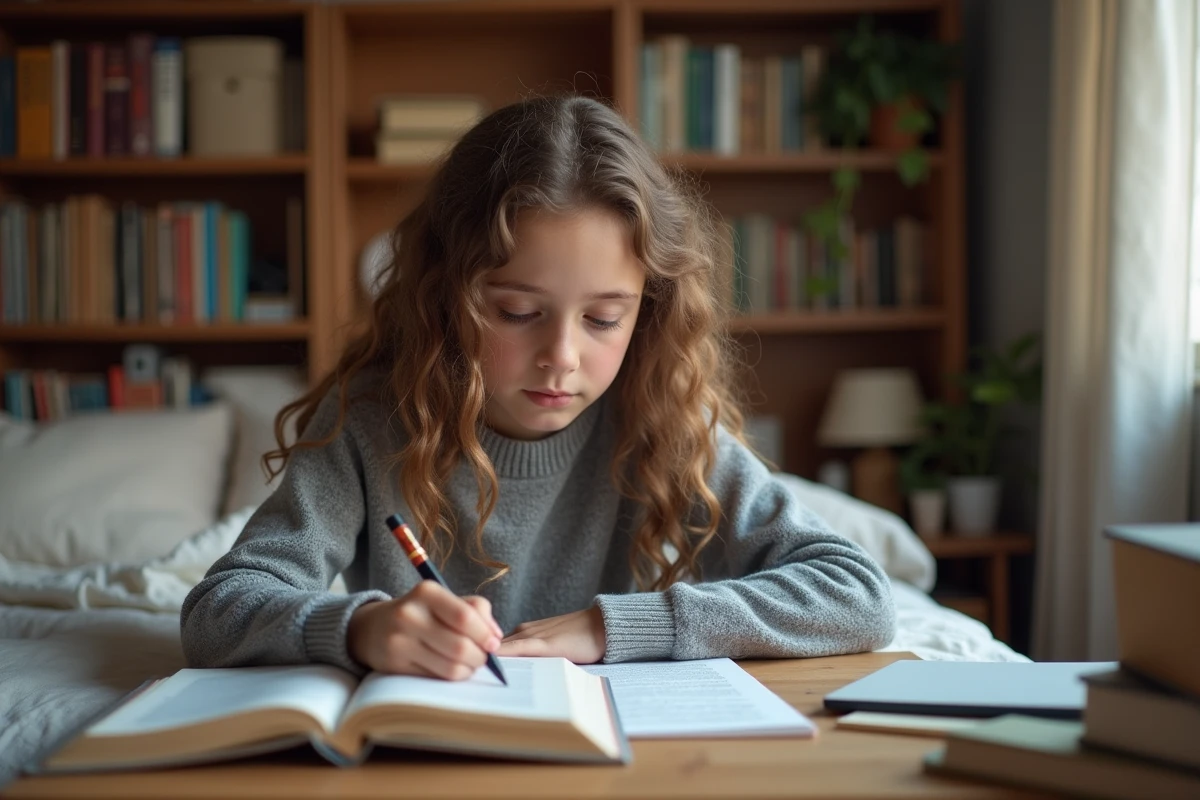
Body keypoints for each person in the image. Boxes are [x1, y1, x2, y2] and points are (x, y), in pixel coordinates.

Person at [181, 95, 895, 681]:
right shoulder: (373, 419)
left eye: (604, 319)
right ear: (445, 297)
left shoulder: (660, 417)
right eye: (518, 313)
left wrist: (612, 626)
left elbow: (856, 594)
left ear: (646, 312)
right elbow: (218, 608)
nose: (561, 357)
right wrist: (362, 626)